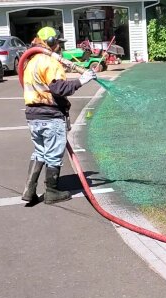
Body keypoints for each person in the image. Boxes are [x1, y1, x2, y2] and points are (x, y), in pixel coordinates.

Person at [22, 26, 97, 205]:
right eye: (57, 43)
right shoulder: (49, 62)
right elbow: (59, 88)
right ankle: (52, 191)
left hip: (33, 116)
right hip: (50, 115)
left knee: (40, 152)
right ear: (51, 42)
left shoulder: (30, 61)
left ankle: (29, 190)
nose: (59, 47)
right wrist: (82, 80)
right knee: (54, 154)